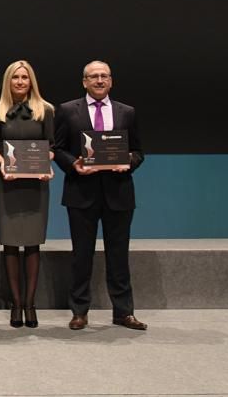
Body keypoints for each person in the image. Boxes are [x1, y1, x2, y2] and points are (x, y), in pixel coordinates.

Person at [52, 60, 147, 331]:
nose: (99, 80)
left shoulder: (127, 112)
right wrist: (74, 165)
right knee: (81, 255)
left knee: (119, 255)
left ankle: (123, 312)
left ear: (111, 81)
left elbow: (139, 151)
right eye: (93, 76)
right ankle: (79, 311)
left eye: (104, 76)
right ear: (84, 82)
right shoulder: (68, 110)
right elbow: (57, 148)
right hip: (81, 193)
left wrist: (128, 162)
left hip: (119, 193)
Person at [0, 60, 55, 328]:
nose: (20, 82)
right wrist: (2, 162)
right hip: (9, 183)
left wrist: (45, 164)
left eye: (25, 77)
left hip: (36, 185)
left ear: (31, 81)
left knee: (33, 243)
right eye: (15, 77)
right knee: (11, 244)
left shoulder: (45, 110)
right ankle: (16, 305)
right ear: (8, 81)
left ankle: (30, 304)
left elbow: (51, 146)